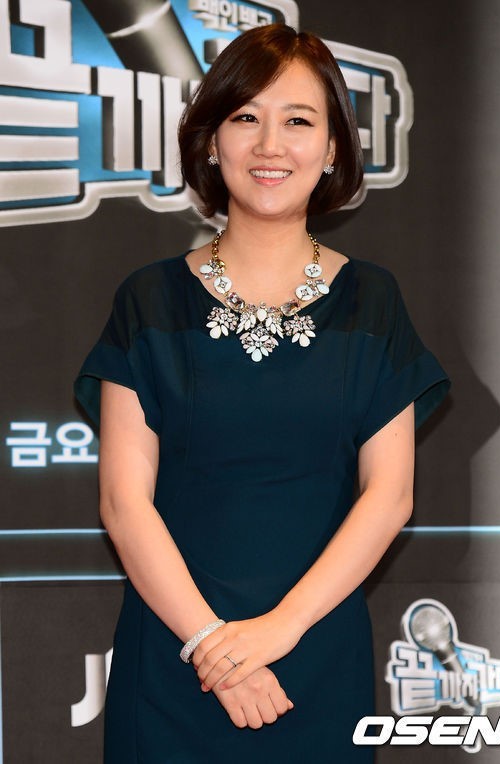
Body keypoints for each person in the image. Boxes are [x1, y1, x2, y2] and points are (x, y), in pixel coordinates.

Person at [74, 23, 450, 763]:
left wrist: (279, 630)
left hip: (316, 653)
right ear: (213, 141)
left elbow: (390, 496)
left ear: (333, 147)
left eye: (298, 121)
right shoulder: (149, 301)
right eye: (246, 117)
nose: (270, 145)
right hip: (176, 659)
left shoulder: (372, 302)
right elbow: (123, 501)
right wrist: (211, 645)